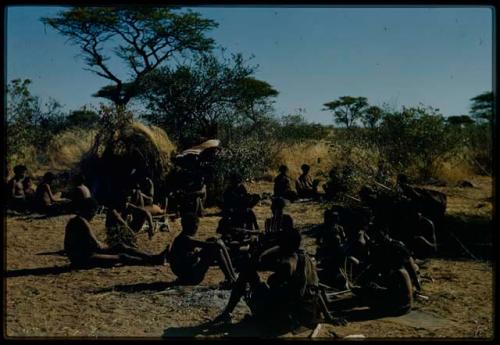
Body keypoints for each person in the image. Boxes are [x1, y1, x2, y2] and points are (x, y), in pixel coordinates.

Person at [214, 228, 321, 331]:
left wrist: (259, 252)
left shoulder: (287, 264)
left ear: (284, 244)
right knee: (250, 272)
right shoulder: (302, 256)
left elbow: (272, 282)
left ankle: (227, 313)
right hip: (306, 311)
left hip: (287, 317)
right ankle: (228, 313)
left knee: (247, 273)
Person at [64, 198, 168, 268]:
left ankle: (153, 258)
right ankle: (151, 261)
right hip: (83, 259)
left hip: (83, 255)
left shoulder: (76, 220)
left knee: (120, 246)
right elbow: (98, 246)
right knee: (121, 256)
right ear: (90, 211)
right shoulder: (82, 222)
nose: (93, 216)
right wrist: (109, 248)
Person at [168, 213, 238, 287]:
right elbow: (211, 245)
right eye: (195, 227)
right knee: (217, 248)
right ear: (188, 226)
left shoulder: (182, 238)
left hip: (188, 272)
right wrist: (219, 243)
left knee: (217, 245)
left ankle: (232, 277)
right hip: (190, 276)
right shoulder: (185, 239)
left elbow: (195, 253)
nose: (196, 229)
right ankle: (231, 278)